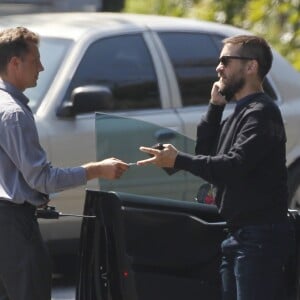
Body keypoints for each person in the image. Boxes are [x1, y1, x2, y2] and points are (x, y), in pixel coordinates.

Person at [137, 35, 295, 300]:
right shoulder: (241, 112)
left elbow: (232, 166)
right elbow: (207, 155)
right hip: (237, 234)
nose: (218, 68)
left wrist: (178, 160)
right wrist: (215, 107)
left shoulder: (262, 112)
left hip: (259, 237)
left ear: (250, 66)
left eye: (225, 60)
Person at [0, 27, 129, 300]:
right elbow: (43, 179)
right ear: (15, 63)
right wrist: (97, 168)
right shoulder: (13, 113)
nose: (42, 67)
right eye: (35, 60)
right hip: (13, 226)